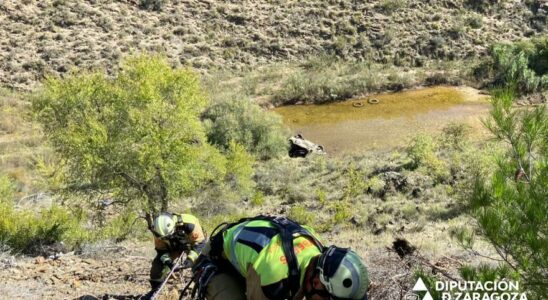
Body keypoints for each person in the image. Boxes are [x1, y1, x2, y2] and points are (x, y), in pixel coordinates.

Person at [192, 215, 369, 300]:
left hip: (253, 257)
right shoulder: (273, 276)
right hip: (217, 262)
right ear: (316, 283)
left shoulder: (315, 247)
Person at [145, 212, 206, 298]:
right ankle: (155, 291)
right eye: (164, 238)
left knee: (200, 264)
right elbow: (162, 251)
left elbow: (200, 244)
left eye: (168, 236)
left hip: (192, 244)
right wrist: (169, 263)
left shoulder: (190, 224)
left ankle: (202, 289)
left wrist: (189, 260)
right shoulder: (157, 232)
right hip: (172, 247)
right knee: (157, 266)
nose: (166, 238)